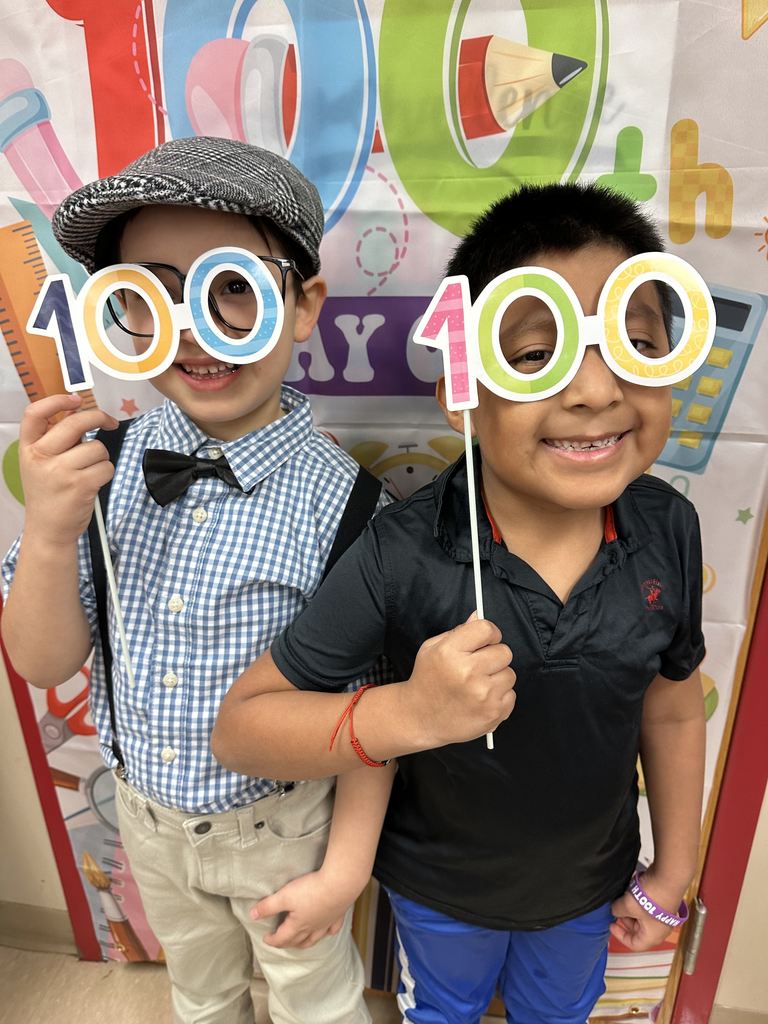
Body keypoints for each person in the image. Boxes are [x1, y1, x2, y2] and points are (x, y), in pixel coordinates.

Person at [211, 182, 707, 1024]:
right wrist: (409, 711)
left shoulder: (670, 527)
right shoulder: (401, 551)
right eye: (533, 355)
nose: (594, 391)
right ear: (462, 391)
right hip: (440, 893)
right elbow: (244, 729)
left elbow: (672, 709)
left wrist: (674, 871)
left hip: (588, 887)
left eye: (634, 343)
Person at [1, 136, 392, 1024]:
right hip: (146, 822)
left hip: (286, 825)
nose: (194, 328)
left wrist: (345, 870)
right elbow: (40, 660)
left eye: (232, 289)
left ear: (302, 306)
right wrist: (54, 533)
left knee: (314, 1000)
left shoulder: (350, 506)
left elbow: (371, 714)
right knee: (201, 995)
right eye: (156, 293)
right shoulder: (96, 475)